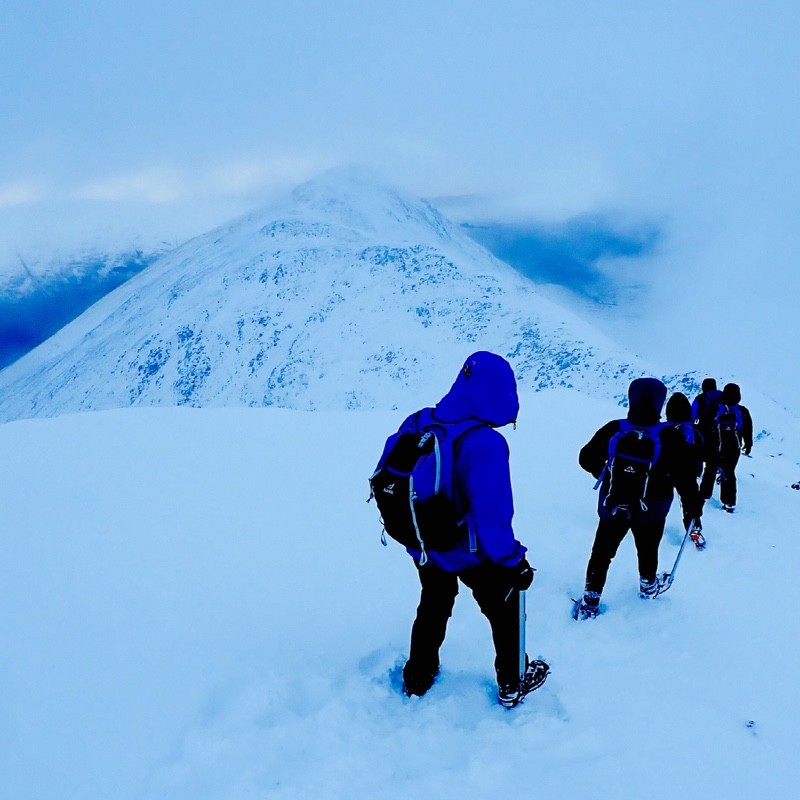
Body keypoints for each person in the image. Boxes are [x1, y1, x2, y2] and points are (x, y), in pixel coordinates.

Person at [391, 351, 548, 707]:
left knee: (433, 605)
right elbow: (492, 515)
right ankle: (512, 681)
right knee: (504, 612)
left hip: (424, 545)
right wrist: (512, 560)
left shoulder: (418, 421)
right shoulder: (486, 444)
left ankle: (417, 676)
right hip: (470, 552)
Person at [574, 377, 704, 620]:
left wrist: (606, 472)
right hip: (651, 510)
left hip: (613, 506)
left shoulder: (615, 428)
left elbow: (585, 458)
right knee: (647, 549)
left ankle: (591, 598)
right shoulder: (669, 436)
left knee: (602, 552)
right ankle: (647, 586)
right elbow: (685, 478)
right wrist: (694, 507)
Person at [665, 391, 706, 548]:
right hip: (687, 473)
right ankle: (694, 525)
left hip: (665, 472)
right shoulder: (694, 433)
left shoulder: (663, 430)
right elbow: (700, 455)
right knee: (690, 501)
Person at [711, 382, 753, 512]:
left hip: (718, 444)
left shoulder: (717, 408)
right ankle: (729, 501)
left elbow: (710, 425)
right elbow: (747, 429)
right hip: (735, 445)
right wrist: (748, 443)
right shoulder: (742, 411)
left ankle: (721, 493)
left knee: (723, 469)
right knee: (729, 471)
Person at [692, 378, 723, 502]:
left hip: (700, 432)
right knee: (712, 464)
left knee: (696, 458)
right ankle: (706, 492)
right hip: (716, 433)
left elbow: (692, 415)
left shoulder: (700, 399)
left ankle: (693, 485)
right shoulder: (722, 398)